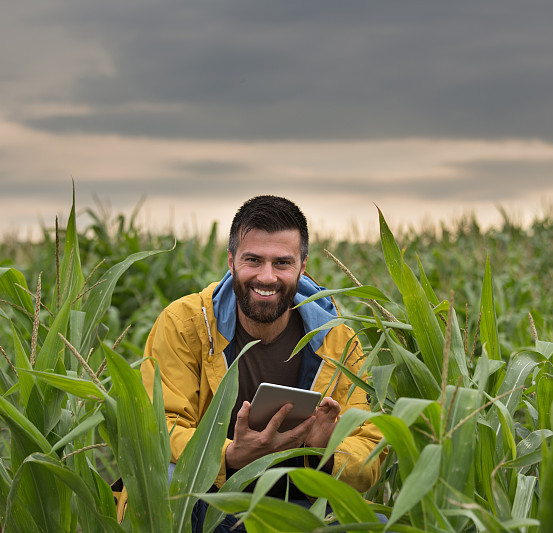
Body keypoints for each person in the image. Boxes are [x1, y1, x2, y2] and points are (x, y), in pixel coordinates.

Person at [138, 195, 383, 531]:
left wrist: (326, 450)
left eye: (282, 263)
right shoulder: (185, 325)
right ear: (231, 260)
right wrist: (228, 455)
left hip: (302, 500)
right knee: (167, 483)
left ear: (303, 266)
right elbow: (158, 427)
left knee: (379, 524)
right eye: (253, 260)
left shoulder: (337, 339)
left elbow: (369, 449)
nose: (266, 277)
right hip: (214, 497)